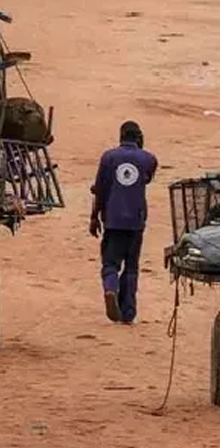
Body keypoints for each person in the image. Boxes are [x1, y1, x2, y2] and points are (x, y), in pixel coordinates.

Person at [89, 121, 157, 324]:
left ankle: (110, 288)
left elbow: (100, 190)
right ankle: (128, 312)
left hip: (113, 219)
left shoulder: (108, 157)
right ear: (139, 138)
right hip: (136, 221)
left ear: (120, 137)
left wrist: (94, 217)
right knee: (132, 267)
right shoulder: (149, 159)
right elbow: (146, 179)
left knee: (110, 263)